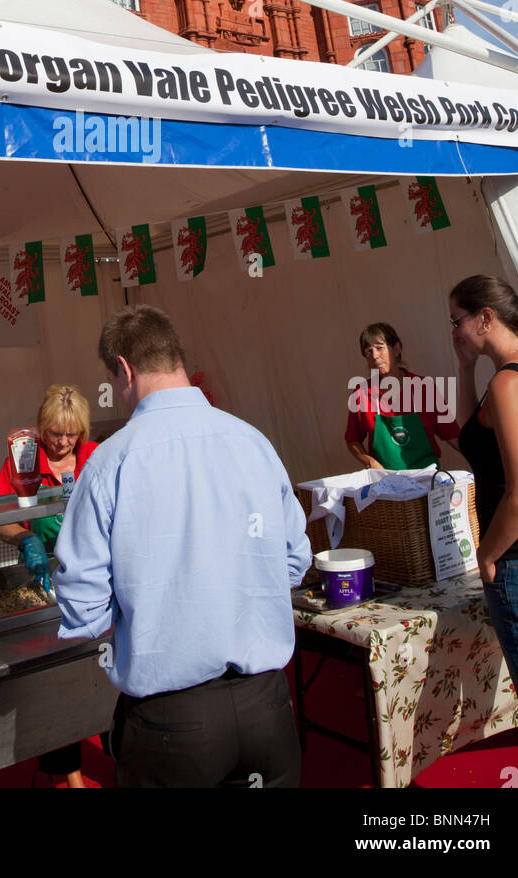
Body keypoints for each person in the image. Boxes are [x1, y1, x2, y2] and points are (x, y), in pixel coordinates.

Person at [53, 305, 311, 788]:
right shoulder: (253, 441)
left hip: (171, 723)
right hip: (267, 709)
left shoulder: (112, 461)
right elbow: (294, 561)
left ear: (124, 369)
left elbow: (83, 605)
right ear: (176, 358)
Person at [450, 275, 518, 746]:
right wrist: (463, 369)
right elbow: (471, 442)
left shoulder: (509, 382)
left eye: (457, 321)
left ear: (486, 316)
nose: (455, 331)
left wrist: (488, 554)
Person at [0, 384, 98, 789]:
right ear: (41, 427)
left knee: (97, 669)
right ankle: (70, 777)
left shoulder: (92, 457)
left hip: (90, 577)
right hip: (43, 580)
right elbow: (0, 514)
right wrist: (24, 538)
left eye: (71, 434)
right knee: (55, 682)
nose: (62, 442)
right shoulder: (23, 456)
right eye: (55, 433)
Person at [345, 321, 460, 471]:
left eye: (380, 348)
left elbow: (452, 434)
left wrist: (484, 459)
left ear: (397, 348)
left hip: (427, 478)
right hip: (386, 481)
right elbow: (352, 439)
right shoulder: (362, 393)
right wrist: (370, 462)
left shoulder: (424, 387)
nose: (375, 356)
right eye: (368, 352)